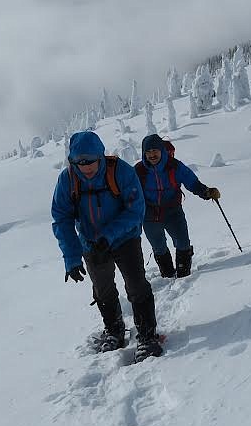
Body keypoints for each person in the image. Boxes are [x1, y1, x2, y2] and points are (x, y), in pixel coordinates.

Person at [51, 131, 163, 362]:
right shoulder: (67, 180)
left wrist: (108, 236)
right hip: (91, 243)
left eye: (91, 160)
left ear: (101, 156)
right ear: (72, 161)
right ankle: (114, 330)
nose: (87, 166)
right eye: (80, 162)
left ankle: (147, 335)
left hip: (125, 239)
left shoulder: (121, 172)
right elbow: (61, 219)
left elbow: (136, 210)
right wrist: (71, 258)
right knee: (102, 289)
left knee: (136, 284)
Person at [136, 133, 221, 278]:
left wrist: (206, 192)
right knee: (158, 246)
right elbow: (128, 191)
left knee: (182, 242)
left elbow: (191, 182)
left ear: (161, 150)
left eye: (155, 150)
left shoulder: (174, 166)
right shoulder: (138, 171)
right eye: (148, 152)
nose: (152, 155)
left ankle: (184, 274)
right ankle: (168, 274)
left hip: (172, 211)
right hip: (149, 214)